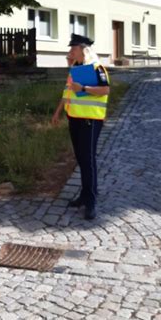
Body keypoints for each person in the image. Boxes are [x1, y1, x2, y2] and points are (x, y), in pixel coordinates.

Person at [51, 34, 110, 220]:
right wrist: (58, 112)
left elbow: (105, 90)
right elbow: (68, 92)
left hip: (90, 120)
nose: (70, 52)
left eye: (73, 49)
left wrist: (84, 89)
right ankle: (84, 195)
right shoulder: (75, 69)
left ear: (83, 50)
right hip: (74, 118)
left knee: (88, 160)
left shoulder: (97, 68)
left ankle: (91, 201)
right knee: (81, 159)